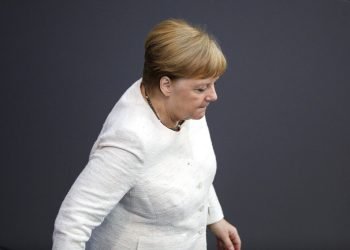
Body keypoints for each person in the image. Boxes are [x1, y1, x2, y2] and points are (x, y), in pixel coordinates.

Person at [52, 19, 241, 250]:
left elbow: (192, 169)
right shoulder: (129, 140)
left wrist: (214, 218)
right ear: (166, 85)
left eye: (213, 84)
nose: (213, 96)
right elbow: (72, 223)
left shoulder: (184, 105)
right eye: (202, 88)